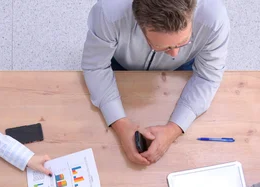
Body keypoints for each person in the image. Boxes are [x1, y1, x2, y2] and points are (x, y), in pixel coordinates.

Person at [82, 0, 230, 165]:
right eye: (162, 47)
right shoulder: (108, 12)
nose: (174, 54)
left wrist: (175, 128)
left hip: (179, 71)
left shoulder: (214, 18)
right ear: (138, 23)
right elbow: (96, 66)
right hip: (119, 62)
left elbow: (207, 77)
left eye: (183, 42)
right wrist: (119, 122)